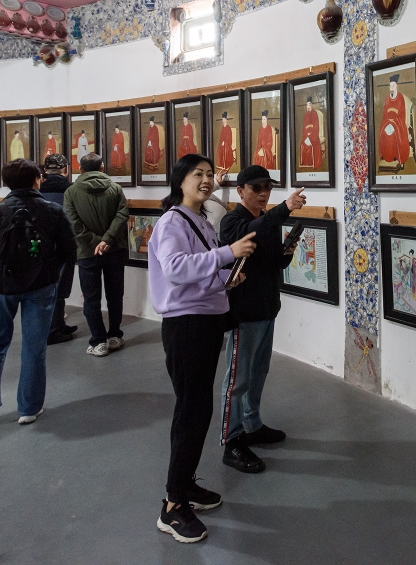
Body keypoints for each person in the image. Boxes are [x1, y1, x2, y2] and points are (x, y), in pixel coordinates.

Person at [148, 153, 256, 544]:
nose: (207, 180)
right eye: (198, 174)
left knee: (199, 410)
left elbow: (200, 270)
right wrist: (228, 254)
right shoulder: (172, 222)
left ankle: (185, 485)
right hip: (187, 326)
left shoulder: (201, 221)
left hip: (206, 320)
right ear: (180, 180)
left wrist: (227, 276)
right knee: (191, 412)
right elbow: (176, 269)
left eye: (210, 174)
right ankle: (173, 505)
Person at [0, 159, 76, 425]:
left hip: (0, 287)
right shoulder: (53, 210)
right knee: (34, 348)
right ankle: (29, 408)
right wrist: (49, 271)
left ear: (6, 182)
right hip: (41, 287)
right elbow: (69, 249)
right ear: (37, 180)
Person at [218, 166, 305, 474]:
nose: (264, 193)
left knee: (258, 373)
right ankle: (232, 441)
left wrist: (287, 251)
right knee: (238, 379)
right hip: (244, 312)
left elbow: (271, 262)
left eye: (268, 187)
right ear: (240, 190)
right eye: (256, 188)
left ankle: (252, 425)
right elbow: (250, 231)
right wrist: (284, 208)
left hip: (267, 308)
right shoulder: (233, 221)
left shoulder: (266, 220)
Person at [64, 152, 130, 357]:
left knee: (91, 299)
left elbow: (73, 223)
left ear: (80, 169)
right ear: (102, 168)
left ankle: (99, 341)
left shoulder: (71, 192)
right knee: (115, 295)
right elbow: (122, 215)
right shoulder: (115, 188)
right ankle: (115, 335)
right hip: (115, 249)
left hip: (87, 252)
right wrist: (107, 241)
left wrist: (95, 243)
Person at [39, 154, 78, 345]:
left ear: (45, 170)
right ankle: (53, 330)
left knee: (47, 286)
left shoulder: (37, 191)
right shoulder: (71, 191)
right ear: (66, 170)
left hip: (40, 246)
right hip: (63, 245)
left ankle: (59, 325)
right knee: (60, 288)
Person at [377, 75, 412, 167]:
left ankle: (396, 157)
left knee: (394, 132)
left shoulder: (400, 98)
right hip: (387, 122)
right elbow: (385, 114)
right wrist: (387, 122)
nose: (391, 88)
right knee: (384, 132)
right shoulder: (387, 99)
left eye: (393, 86)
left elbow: (402, 115)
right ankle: (386, 157)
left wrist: (394, 122)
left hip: (398, 124)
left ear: (396, 86)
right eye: (390, 86)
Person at [298, 95, 324, 169]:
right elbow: (304, 128)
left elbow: (316, 127)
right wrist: (306, 135)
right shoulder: (305, 115)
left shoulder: (315, 114)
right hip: (306, 135)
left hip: (314, 135)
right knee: (303, 144)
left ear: (311, 105)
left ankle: (312, 162)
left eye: (309, 105)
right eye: (307, 105)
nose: (308, 107)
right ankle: (306, 162)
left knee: (312, 143)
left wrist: (311, 135)